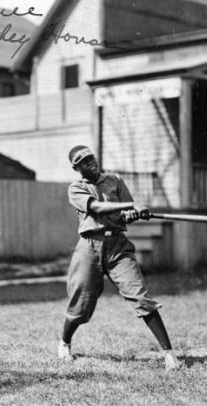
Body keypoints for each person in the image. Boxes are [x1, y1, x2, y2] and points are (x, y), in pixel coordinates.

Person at [58, 145, 181, 371]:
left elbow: (125, 215)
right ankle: (64, 342)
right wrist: (131, 205)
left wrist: (135, 214)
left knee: (141, 298)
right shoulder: (76, 188)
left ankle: (169, 355)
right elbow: (96, 208)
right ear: (76, 168)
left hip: (118, 247)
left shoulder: (115, 181)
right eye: (83, 161)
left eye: (91, 157)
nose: (90, 162)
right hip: (89, 247)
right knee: (81, 304)